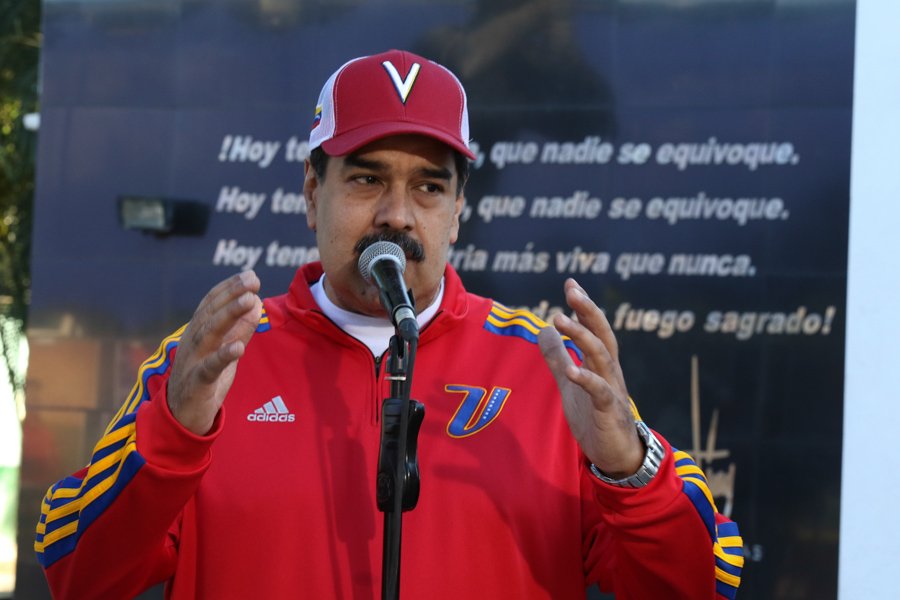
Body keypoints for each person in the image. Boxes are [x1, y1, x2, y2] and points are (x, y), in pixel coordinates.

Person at [35, 49, 743, 599]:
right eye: (367, 178)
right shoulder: (211, 361)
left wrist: (628, 469)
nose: (396, 215)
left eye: (428, 186)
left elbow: (706, 583)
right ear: (312, 193)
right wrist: (174, 439)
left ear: (458, 212)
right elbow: (75, 571)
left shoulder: (547, 369)